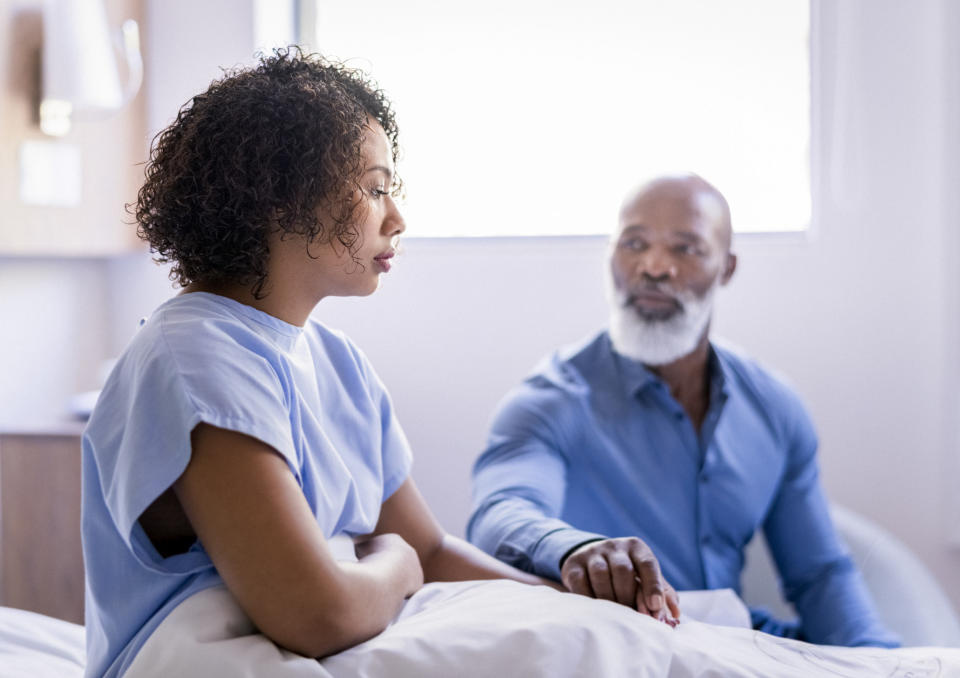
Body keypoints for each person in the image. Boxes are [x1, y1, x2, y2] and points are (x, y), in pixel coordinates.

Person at [81, 49, 585, 678]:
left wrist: (573, 602)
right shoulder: (193, 355)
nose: (396, 219)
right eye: (375, 189)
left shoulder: (338, 361)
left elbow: (426, 546)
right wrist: (396, 564)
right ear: (280, 196)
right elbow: (313, 613)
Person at [468, 173, 899, 647]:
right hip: (617, 650)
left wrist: (879, 662)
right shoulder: (551, 400)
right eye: (634, 243)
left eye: (685, 248)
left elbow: (817, 575)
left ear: (727, 268)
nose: (654, 267)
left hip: (739, 647)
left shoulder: (774, 407)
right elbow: (499, 515)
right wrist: (577, 549)